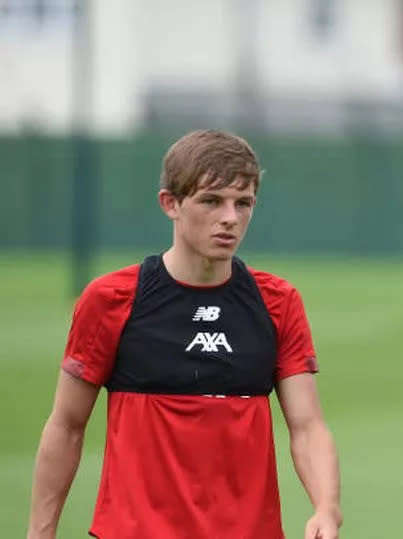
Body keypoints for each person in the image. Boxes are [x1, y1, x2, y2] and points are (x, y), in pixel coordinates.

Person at [27, 130, 342, 539]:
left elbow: (307, 426)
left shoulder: (277, 302)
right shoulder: (111, 300)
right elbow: (67, 425)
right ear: (170, 204)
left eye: (243, 203)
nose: (230, 217)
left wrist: (326, 507)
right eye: (212, 200)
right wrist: (40, 531)